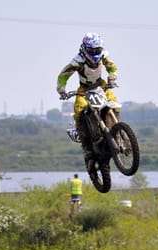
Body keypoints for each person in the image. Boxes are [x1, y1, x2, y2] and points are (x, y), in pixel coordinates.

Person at [56, 32, 120, 169]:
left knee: (114, 102)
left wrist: (113, 77)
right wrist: (61, 89)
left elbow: (112, 67)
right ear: (85, 49)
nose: (95, 52)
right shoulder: (77, 61)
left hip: (101, 86)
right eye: (92, 50)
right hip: (84, 90)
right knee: (79, 110)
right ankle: (87, 148)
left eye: (97, 49)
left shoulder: (103, 55)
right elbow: (63, 75)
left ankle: (118, 131)